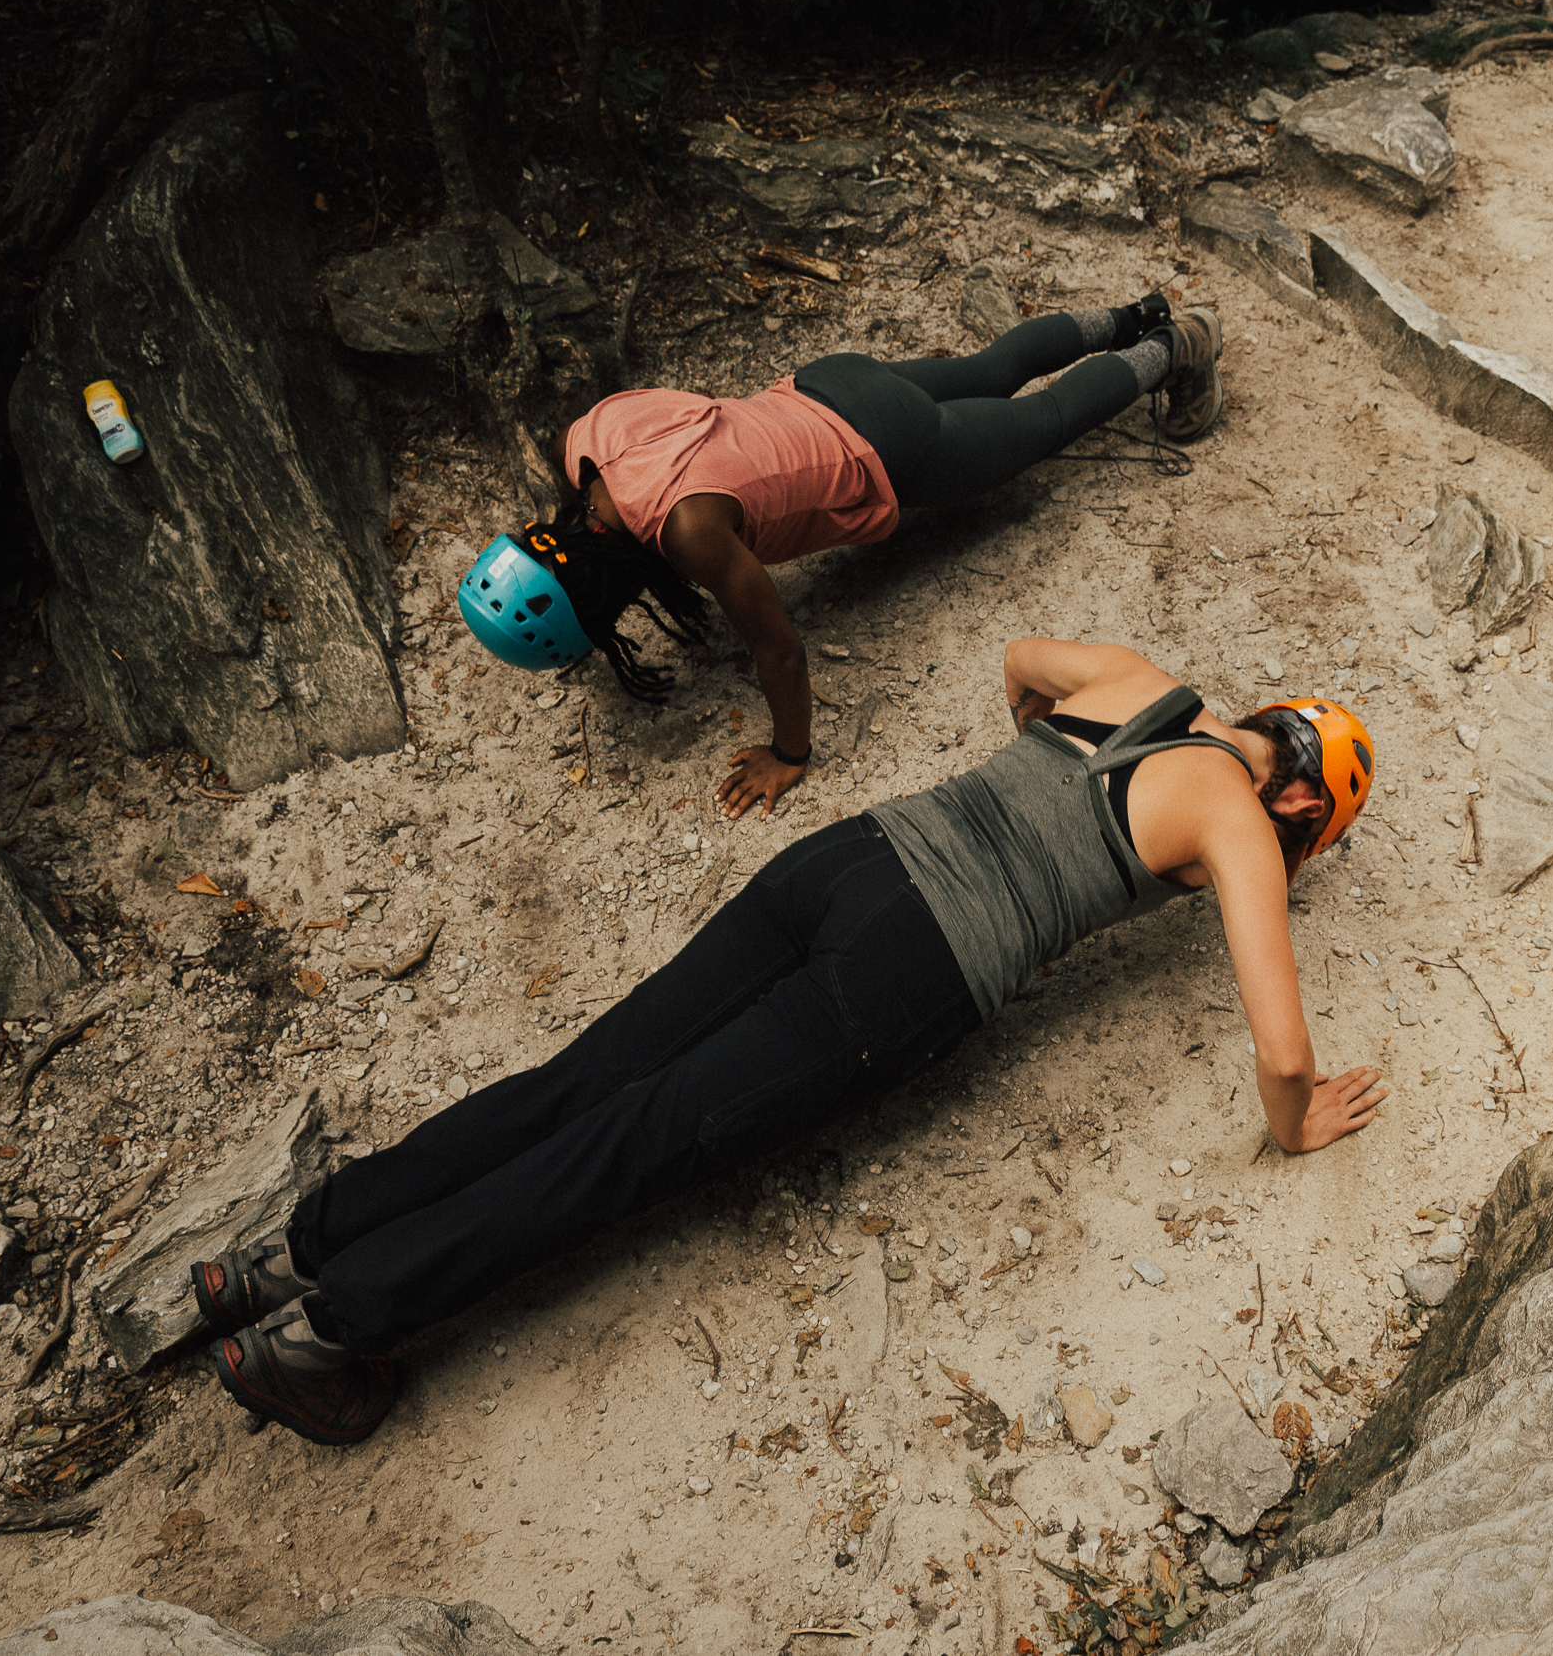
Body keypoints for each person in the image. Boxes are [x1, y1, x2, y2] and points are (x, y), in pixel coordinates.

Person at [194, 638, 1385, 1445]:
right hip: (913, 962)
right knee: (634, 1139)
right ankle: (329, 1330)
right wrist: (1296, 1121)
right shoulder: (1235, 816)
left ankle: (297, 1249)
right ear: (1298, 802)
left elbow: (1022, 659)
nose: (1285, 856)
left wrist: (1028, 776)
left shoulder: (1143, 677)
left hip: (847, 860)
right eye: (1305, 841)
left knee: (584, 1078)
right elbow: (1281, 1052)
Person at [456, 298, 1227, 821]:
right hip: (827, 384)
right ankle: (1136, 312)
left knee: (1042, 420)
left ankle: (1177, 343)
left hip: (886, 448)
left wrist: (789, 752)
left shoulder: (689, 533)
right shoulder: (587, 442)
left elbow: (781, 651)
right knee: (992, 366)